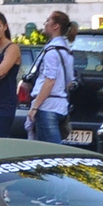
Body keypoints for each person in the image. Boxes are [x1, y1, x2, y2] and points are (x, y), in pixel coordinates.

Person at [27, 10, 76, 144]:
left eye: (48, 21)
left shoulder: (51, 52)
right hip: (61, 106)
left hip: (47, 107)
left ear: (56, 26)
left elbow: (49, 81)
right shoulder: (67, 51)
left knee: (50, 151)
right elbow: (69, 82)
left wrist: (35, 107)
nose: (45, 24)